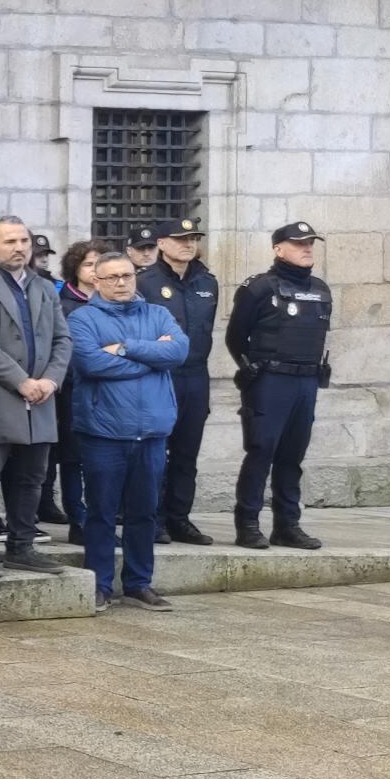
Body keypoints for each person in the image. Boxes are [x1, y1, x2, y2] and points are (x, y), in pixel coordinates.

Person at [71, 250, 186, 611]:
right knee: (102, 511)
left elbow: (179, 352)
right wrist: (152, 360)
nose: (121, 282)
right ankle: (100, 583)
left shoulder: (159, 313)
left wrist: (126, 348)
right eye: (112, 277)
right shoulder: (82, 318)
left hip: (151, 430)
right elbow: (90, 362)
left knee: (144, 511)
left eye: (127, 275)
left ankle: (138, 582)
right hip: (105, 431)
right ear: (96, 281)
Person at [0, 216, 71, 579]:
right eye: (10, 241)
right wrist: (22, 381)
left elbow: (62, 340)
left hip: (41, 398)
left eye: (24, 240)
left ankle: (22, 546)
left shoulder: (42, 287)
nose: (20, 247)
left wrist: (51, 381)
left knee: (32, 476)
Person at [226, 221, 332, 552]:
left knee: (292, 456)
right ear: (278, 249)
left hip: (306, 382)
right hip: (270, 381)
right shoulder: (258, 287)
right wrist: (252, 370)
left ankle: (287, 526)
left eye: (311, 243)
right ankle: (248, 525)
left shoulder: (320, 288)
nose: (307, 248)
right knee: (261, 452)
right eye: (299, 243)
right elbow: (234, 337)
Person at [137, 218, 220, 545]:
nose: (189, 244)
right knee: (156, 451)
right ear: (161, 243)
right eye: (180, 238)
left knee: (187, 451)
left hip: (195, 375)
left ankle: (180, 518)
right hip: (160, 376)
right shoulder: (145, 283)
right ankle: (153, 517)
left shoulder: (207, 282)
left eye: (193, 238)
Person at [48, 241, 102, 545]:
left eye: (98, 264)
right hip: (73, 391)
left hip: (107, 393)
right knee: (73, 459)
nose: (94, 271)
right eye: (87, 265)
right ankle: (77, 520)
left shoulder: (113, 302)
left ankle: (98, 517)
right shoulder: (64, 303)